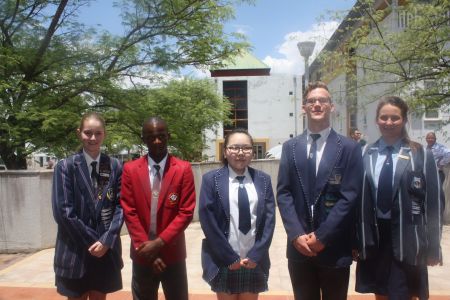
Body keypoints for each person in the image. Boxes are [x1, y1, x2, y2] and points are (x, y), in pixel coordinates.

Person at [277, 81, 363, 300]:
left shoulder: (350, 148)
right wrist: (296, 234)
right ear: (303, 108)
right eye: (311, 101)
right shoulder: (290, 148)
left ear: (331, 107)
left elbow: (350, 196)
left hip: (334, 246)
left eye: (322, 100)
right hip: (299, 247)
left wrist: (323, 236)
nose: (317, 104)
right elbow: (284, 193)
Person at [355, 96, 444, 299]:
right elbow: (360, 199)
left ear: (404, 120)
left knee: (403, 294)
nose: (388, 122)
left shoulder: (421, 154)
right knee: (381, 294)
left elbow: (434, 205)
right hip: (375, 239)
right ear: (377, 120)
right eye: (383, 117)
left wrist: (433, 247)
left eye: (394, 118)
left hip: (408, 239)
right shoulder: (367, 153)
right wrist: (356, 240)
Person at [120, 116, 196, 300]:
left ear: (168, 136)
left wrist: (159, 243)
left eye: (161, 135)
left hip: (173, 254)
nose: (157, 141)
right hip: (142, 254)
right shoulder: (130, 170)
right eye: (151, 136)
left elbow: (186, 212)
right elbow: (129, 211)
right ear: (143, 139)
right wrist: (148, 251)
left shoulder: (183, 169)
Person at [52, 112, 124, 300]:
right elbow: (64, 213)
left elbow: (120, 206)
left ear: (104, 134)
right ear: (79, 133)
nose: (93, 138)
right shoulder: (65, 167)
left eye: (98, 133)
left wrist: (106, 241)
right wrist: (95, 242)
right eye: (88, 132)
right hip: (75, 250)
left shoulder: (114, 166)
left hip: (105, 251)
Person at [199, 128, 276, 300]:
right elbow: (208, 220)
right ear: (225, 151)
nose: (240, 152)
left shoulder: (263, 180)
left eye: (246, 148)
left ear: (252, 152)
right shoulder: (211, 180)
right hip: (224, 259)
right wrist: (228, 257)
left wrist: (256, 254)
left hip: (253, 260)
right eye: (234, 147)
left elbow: (269, 221)